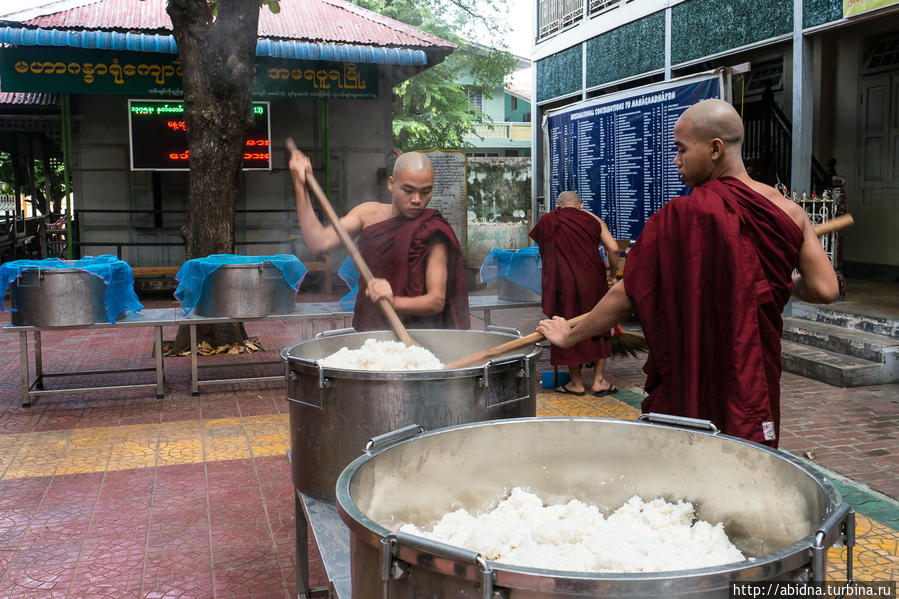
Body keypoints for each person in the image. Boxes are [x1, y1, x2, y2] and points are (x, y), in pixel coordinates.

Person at [537, 99, 838, 447]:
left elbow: (626, 293)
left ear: (715, 149)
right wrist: (787, 283)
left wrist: (569, 336)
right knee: (749, 451)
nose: (676, 160)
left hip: (694, 369)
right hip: (752, 369)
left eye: (681, 149)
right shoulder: (789, 212)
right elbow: (825, 288)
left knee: (692, 456)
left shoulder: (681, 214)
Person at [288, 148, 469, 331]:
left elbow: (436, 301)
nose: (417, 200)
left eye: (425, 192)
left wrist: (393, 301)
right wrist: (299, 185)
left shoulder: (432, 230)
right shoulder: (368, 214)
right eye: (408, 190)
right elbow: (318, 242)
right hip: (371, 333)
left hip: (418, 336)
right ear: (391, 183)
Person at [530, 190, 619, 396]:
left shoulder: (549, 219)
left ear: (558, 207)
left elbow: (546, 247)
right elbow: (613, 248)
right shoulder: (591, 218)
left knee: (565, 324)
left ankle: (576, 383)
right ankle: (598, 381)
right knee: (599, 323)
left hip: (563, 283)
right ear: (581, 206)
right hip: (593, 280)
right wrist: (613, 276)